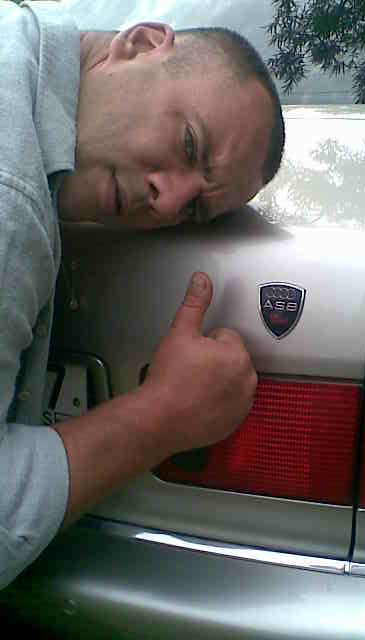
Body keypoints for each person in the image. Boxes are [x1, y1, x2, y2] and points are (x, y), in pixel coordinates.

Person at [0, 1, 284, 588]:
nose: (168, 202)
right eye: (189, 144)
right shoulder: (12, 203)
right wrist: (166, 415)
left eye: (195, 210)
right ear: (141, 44)